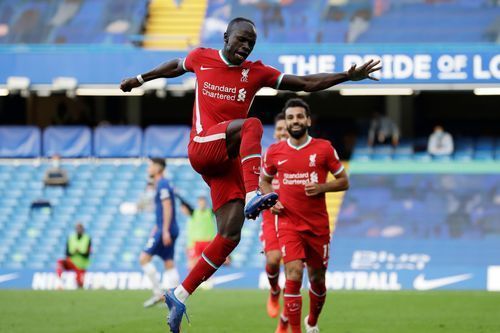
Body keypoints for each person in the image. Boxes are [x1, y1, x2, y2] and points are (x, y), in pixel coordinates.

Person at [120, 17, 379, 332]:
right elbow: (176, 64)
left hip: (225, 162)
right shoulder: (202, 57)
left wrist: (347, 76)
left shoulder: (256, 72)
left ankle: (179, 294)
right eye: (240, 40)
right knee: (254, 125)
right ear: (226, 36)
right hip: (202, 147)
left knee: (230, 234)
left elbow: (307, 84)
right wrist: (140, 78)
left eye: (250, 44)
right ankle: (255, 193)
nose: (245, 47)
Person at [261, 98, 349, 333]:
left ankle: (312, 321)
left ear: (308, 120)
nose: (295, 121)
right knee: (294, 273)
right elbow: (264, 181)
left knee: (317, 279)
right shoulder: (274, 151)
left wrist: (322, 188)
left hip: (318, 225)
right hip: (288, 223)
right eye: (290, 118)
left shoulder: (323, 148)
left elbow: (343, 181)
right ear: (286, 122)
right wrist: (272, 200)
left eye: (300, 116)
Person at [259, 112, 289, 326]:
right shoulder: (267, 155)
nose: (282, 133)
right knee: (272, 259)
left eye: (285, 129)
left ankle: (284, 322)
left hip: (296, 217)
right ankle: (273, 289)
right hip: (271, 216)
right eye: (279, 129)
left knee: (293, 272)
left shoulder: (302, 154)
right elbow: (258, 182)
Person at [140, 158, 180, 308]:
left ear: (158, 168)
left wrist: (164, 230)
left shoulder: (162, 183)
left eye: (150, 165)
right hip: (167, 228)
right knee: (169, 262)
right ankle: (178, 298)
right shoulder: (163, 183)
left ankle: (158, 293)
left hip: (166, 229)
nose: (148, 168)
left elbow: (167, 206)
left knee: (143, 259)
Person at [180, 196, 217, 270]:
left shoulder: (210, 212)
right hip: (196, 242)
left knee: (208, 263)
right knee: (193, 262)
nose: (202, 204)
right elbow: (185, 204)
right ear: (198, 203)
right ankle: (192, 280)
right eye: (200, 202)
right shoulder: (194, 212)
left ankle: (208, 280)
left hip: (208, 242)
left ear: (206, 203)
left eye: (203, 202)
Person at [56, 223, 91, 289]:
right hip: (71, 262)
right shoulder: (71, 238)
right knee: (60, 262)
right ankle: (60, 279)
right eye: (77, 228)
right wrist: (73, 252)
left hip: (81, 265)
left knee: (80, 284)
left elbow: (87, 254)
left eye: (80, 228)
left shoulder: (87, 238)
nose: (79, 230)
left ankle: (79, 285)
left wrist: (79, 252)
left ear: (83, 229)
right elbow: (66, 253)